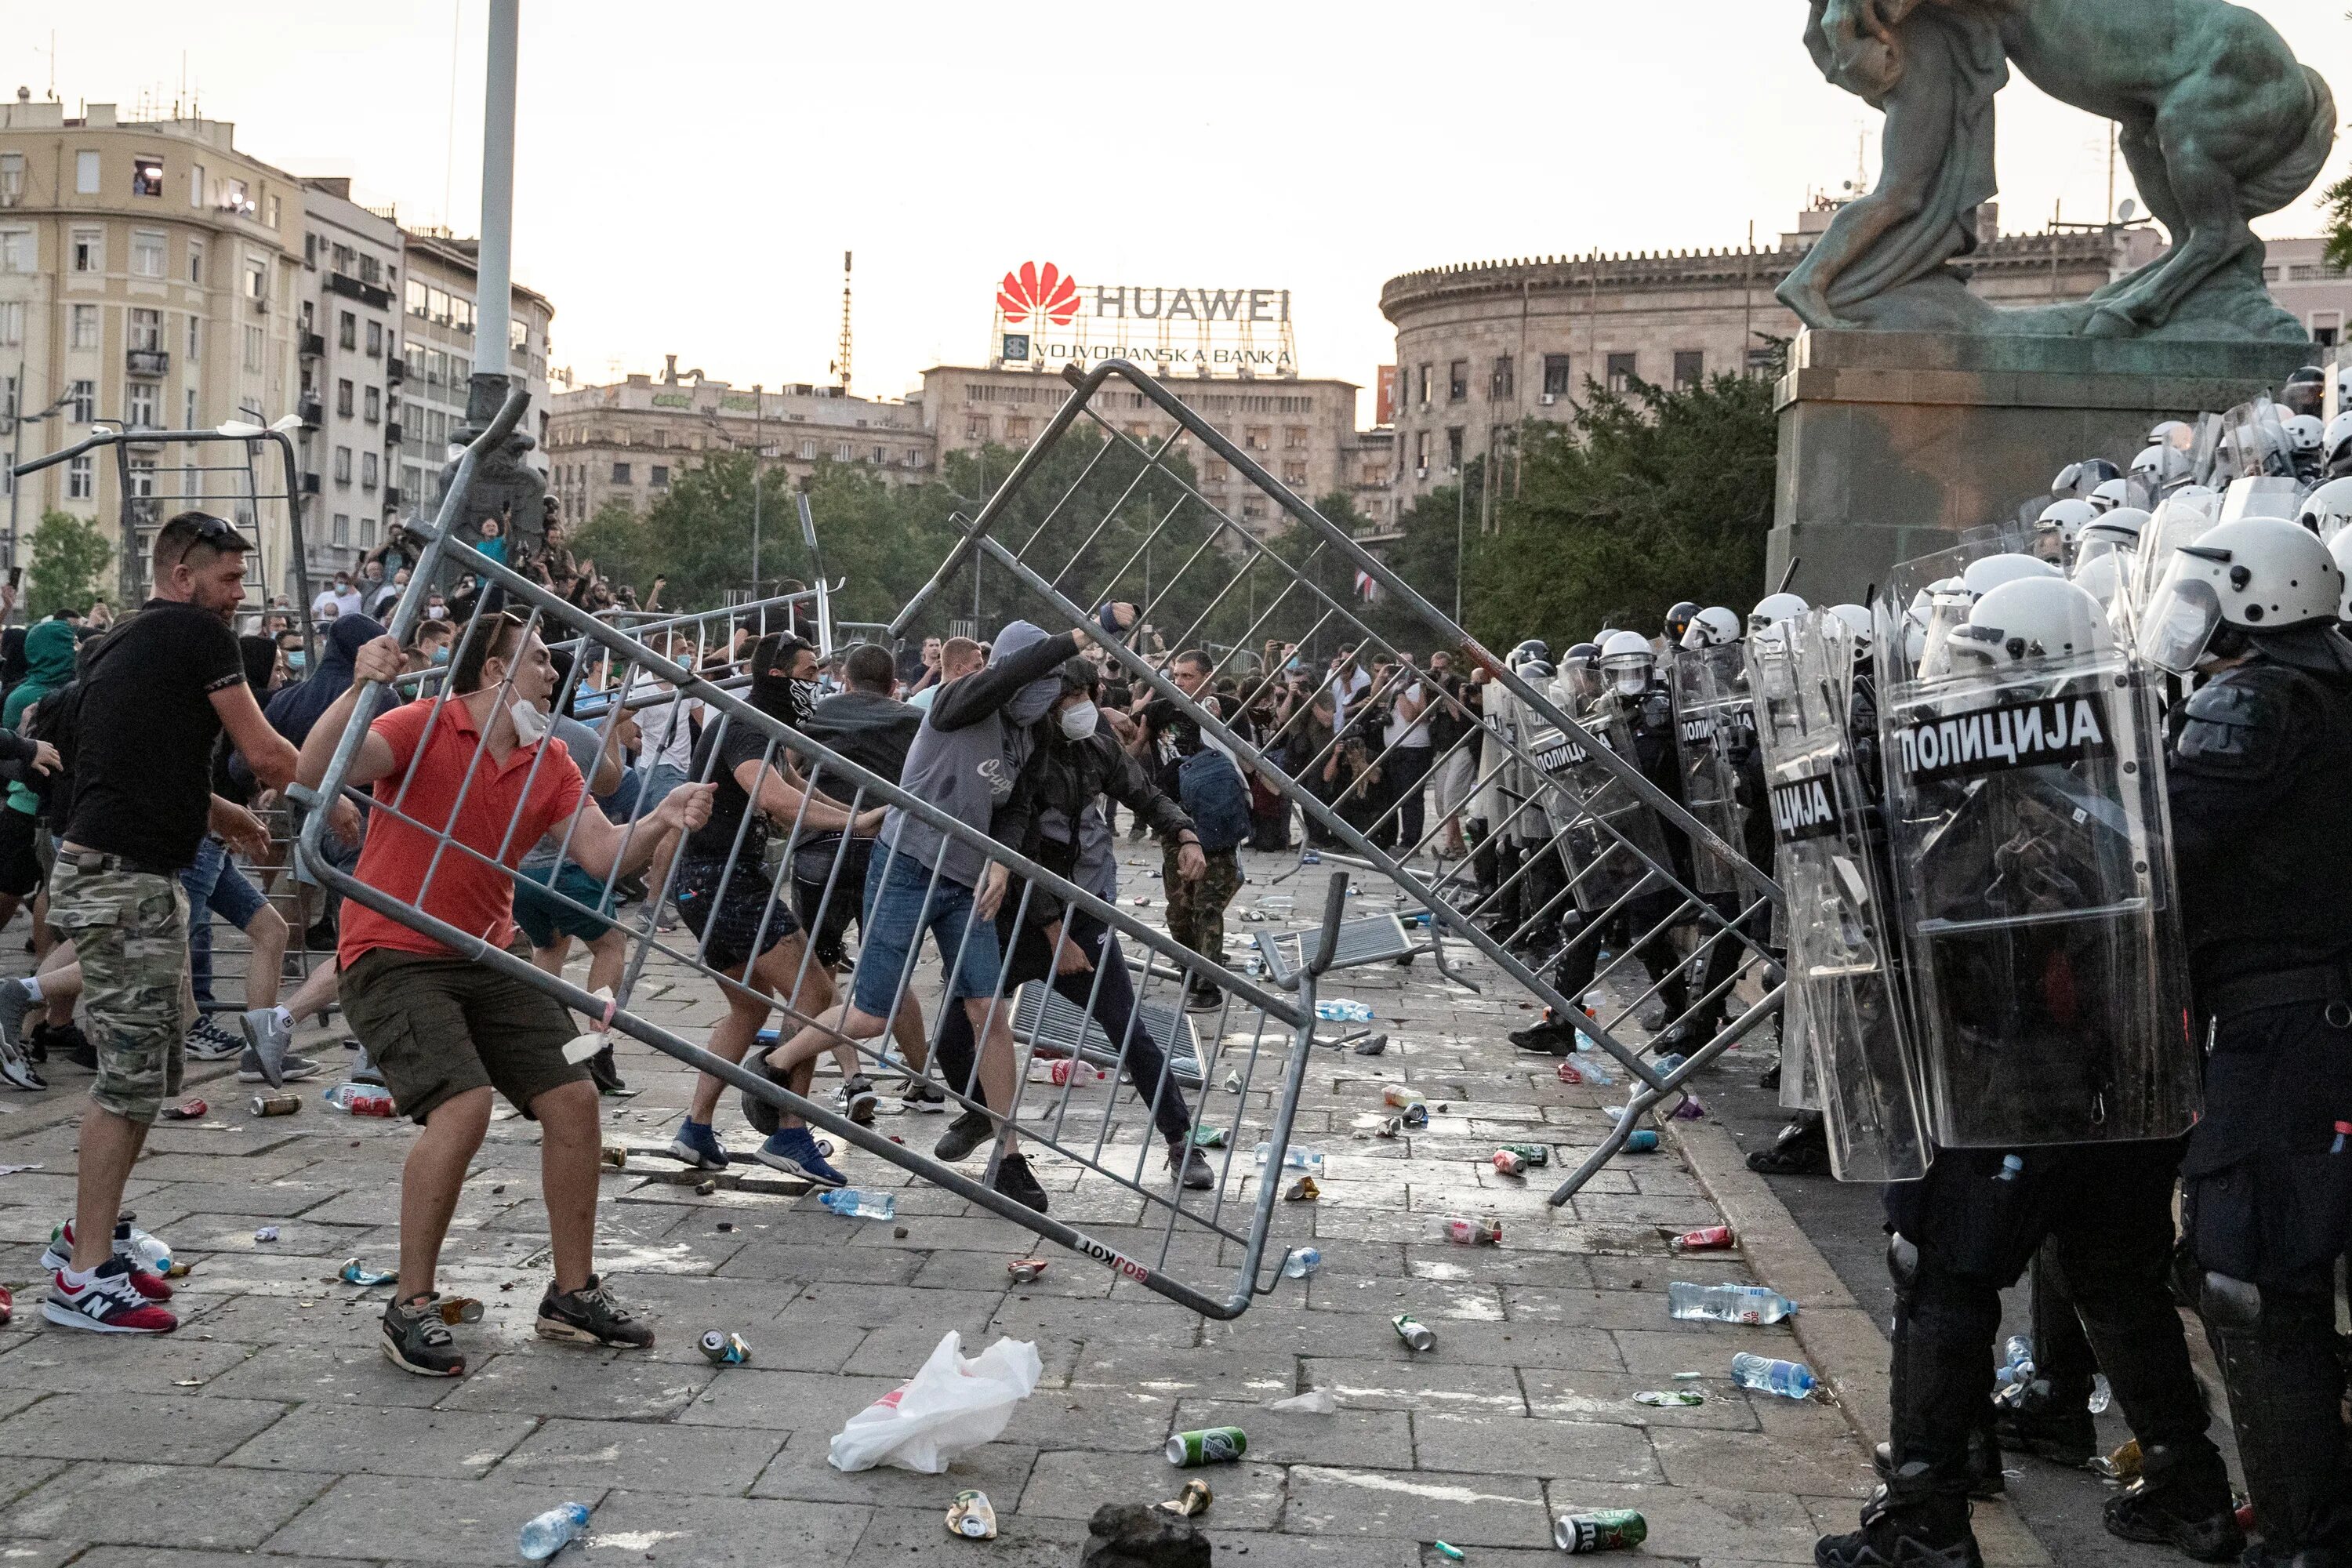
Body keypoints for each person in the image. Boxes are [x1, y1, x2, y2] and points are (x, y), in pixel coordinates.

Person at [292, 611, 713, 1376]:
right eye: (539, 662)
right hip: (394, 947)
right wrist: (359, 688)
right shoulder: (422, 724)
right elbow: (318, 768)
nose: (554, 675)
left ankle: (572, 1292)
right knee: (464, 1104)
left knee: (574, 1097)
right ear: (493, 670)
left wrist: (659, 816)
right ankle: (410, 1302)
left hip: (489, 947)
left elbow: (601, 852)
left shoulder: (550, 757)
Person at [42, 513, 313, 1334]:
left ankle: (92, 1237)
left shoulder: (123, 641)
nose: (238, 596)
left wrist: (223, 814)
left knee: (154, 1068)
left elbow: (136, 765)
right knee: (129, 1075)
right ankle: (83, 1277)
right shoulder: (198, 635)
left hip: (119, 868)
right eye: (229, 579)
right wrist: (361, 791)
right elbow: (269, 754)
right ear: (183, 574)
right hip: (122, 878)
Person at [757, 615, 1123, 1211]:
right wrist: (1082, 634)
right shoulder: (963, 700)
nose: (1047, 696)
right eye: (1044, 680)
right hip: (907, 864)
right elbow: (1012, 672)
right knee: (873, 1016)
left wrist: (1002, 864)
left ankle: (1009, 1157)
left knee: (989, 1011)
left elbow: (1017, 812)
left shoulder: (1030, 737)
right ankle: (774, 1064)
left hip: (969, 880)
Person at [2157, 517, 2352, 1566]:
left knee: (2253, 1277)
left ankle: (2305, 1539)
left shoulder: (2253, 701)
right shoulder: (2330, 689)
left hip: (2282, 1028)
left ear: (2256, 597)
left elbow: (2165, 846)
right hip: (2313, 1021)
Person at [929, 655, 1217, 1188]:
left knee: (1128, 1031)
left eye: (1085, 696)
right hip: (1014, 915)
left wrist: (1185, 834)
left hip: (1080, 914)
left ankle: (1181, 1142)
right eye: (1069, 698)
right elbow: (1020, 848)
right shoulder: (1023, 747)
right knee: (951, 1033)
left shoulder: (1097, 745)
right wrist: (1052, 933)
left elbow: (1145, 794)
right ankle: (981, 1111)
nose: (1078, 707)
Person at [662, 635, 880, 1178]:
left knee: (750, 1007)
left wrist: (861, 812)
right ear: (780, 677)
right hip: (723, 879)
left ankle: (695, 1129)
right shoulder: (748, 722)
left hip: (703, 879)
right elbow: (773, 798)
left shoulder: (760, 723)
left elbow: (795, 784)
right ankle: (789, 1133)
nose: (817, 683)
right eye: (809, 673)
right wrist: (853, 824)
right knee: (815, 993)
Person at [791, 642, 938, 1112]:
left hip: (822, 848)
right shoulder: (913, 722)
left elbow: (786, 770)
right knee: (887, 972)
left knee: (819, 970)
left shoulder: (817, 714)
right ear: (895, 685)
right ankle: (923, 1079)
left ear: (846, 681)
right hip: (886, 850)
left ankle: (853, 1079)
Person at [1134, 649, 1245, 1011]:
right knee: (1178, 909)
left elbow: (1246, 761)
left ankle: (1208, 985)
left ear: (1207, 677)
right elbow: (1134, 746)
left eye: (1188, 676)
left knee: (1207, 905)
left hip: (1215, 817)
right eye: (1176, 676)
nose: (1180, 682)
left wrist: (1217, 727)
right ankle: (1188, 973)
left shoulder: (1228, 711)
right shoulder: (1160, 710)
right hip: (1174, 818)